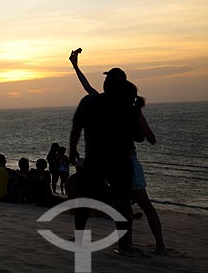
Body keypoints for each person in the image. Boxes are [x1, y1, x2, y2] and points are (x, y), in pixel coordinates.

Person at [70, 49, 165, 254]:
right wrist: (76, 67)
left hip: (122, 161)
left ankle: (150, 245)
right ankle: (130, 245)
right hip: (122, 162)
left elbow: (149, 138)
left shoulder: (113, 104)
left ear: (110, 83)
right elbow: (88, 87)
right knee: (127, 205)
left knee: (135, 205)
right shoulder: (122, 105)